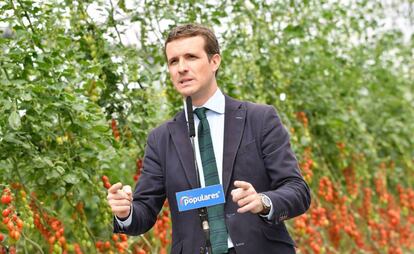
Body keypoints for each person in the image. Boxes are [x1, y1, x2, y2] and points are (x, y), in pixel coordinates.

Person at [107, 24, 311, 254]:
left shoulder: (260, 119)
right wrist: (125, 212)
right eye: (173, 61)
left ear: (215, 61)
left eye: (191, 57)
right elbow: (143, 212)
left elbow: (297, 191)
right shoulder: (161, 139)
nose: (181, 68)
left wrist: (263, 201)